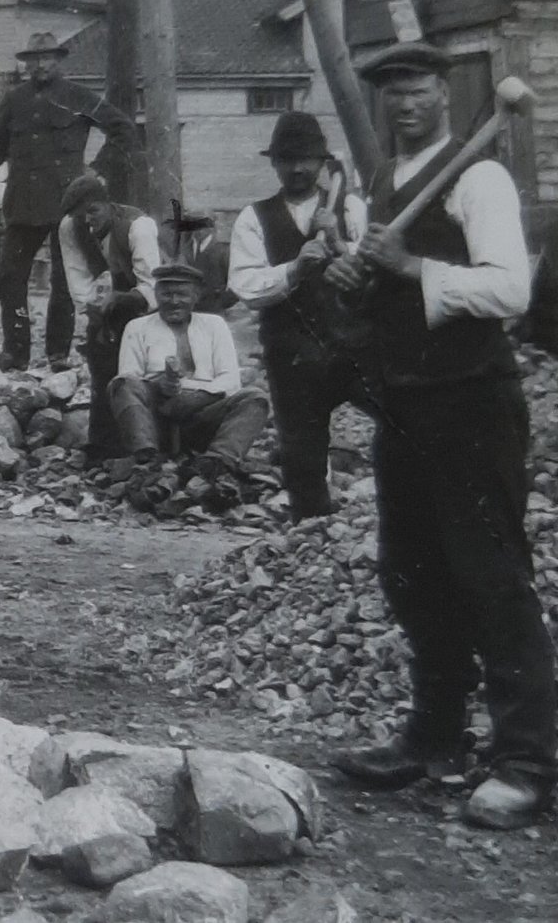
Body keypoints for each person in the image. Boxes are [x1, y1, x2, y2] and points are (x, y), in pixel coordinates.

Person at [323, 41, 554, 830]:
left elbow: (509, 289)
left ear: (445, 96)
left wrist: (412, 264)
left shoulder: (479, 175)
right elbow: (375, 302)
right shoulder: (382, 182)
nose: (404, 104)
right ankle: (434, 738)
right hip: (406, 405)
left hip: (471, 405)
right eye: (391, 93)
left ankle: (526, 761)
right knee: (414, 573)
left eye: (417, 90)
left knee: (490, 576)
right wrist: (353, 277)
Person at [228, 111, 372, 520]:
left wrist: (340, 241)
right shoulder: (253, 217)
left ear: (323, 163)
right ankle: (312, 533)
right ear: (274, 164)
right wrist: (293, 269)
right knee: (302, 452)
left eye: (307, 159)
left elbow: (373, 270)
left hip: (354, 343)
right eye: (288, 159)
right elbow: (246, 286)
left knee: (401, 419)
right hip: (291, 351)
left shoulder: (349, 207)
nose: (298, 168)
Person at [0, 32, 138, 370]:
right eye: (33, 59)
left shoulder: (78, 96)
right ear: (27, 63)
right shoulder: (14, 99)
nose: (40, 65)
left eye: (47, 58)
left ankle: (58, 352)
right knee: (11, 277)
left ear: (57, 60)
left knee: (63, 279)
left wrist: (99, 170)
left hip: (66, 203)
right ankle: (15, 352)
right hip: (21, 204)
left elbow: (123, 128)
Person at [109, 262, 269, 472]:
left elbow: (230, 380)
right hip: (157, 419)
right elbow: (128, 378)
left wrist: (196, 396)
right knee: (121, 384)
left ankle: (217, 461)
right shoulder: (137, 327)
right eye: (166, 294)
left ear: (196, 296)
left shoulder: (215, 325)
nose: (174, 301)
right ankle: (146, 458)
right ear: (156, 295)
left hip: (202, 417)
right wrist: (159, 385)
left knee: (255, 397)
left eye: (182, 294)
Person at [57, 173, 161, 460]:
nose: (87, 220)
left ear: (109, 204)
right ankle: (102, 444)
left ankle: (140, 444)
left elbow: (152, 287)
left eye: (93, 211)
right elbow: (77, 277)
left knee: (133, 372)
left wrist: (122, 299)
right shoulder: (69, 227)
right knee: (100, 365)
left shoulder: (138, 227)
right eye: (81, 215)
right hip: (103, 305)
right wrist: (97, 307)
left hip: (141, 305)